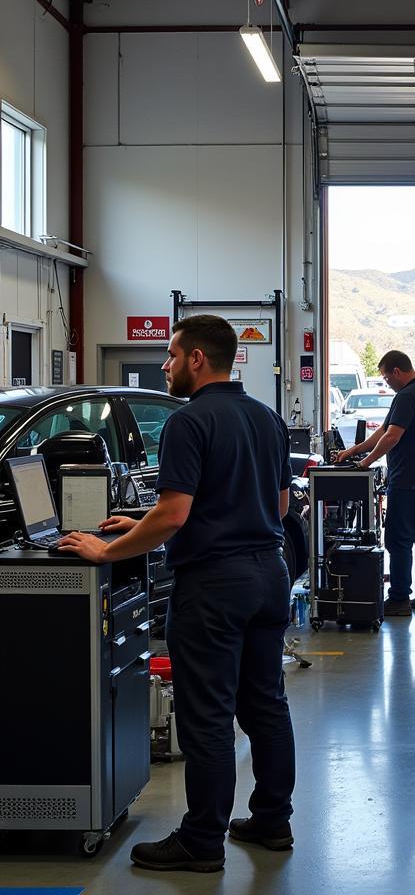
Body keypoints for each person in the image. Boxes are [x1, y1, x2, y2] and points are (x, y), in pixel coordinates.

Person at [58, 315, 296, 873]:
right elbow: (276, 506)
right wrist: (139, 518)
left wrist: (105, 550)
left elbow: (176, 514)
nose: (163, 365)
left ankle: (201, 841)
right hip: (268, 575)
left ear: (196, 359)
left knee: (206, 716)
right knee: (266, 705)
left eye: (169, 355)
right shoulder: (265, 418)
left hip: (215, 586)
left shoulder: (189, 423)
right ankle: (272, 822)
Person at [334, 350, 415, 616]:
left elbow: (392, 437)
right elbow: (384, 431)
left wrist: (365, 463)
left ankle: (399, 598)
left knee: (399, 540)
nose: (387, 382)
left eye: (386, 377)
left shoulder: (407, 396)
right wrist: (352, 452)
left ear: (397, 371)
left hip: (409, 480)